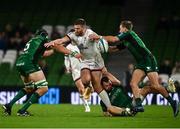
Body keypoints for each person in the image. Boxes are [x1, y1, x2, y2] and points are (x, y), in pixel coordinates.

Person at [89, 20, 179, 117]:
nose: (119, 30)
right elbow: (113, 48)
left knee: (155, 85)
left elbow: (114, 39)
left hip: (148, 59)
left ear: (124, 28)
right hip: (141, 63)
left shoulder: (129, 34)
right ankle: (139, 105)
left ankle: (173, 102)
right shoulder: (127, 40)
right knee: (133, 83)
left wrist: (99, 37)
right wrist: (98, 48)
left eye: (120, 28)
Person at [44, 18, 126, 115]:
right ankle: (89, 88)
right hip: (85, 61)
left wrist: (99, 38)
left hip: (96, 61)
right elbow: (62, 40)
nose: (76, 30)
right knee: (85, 80)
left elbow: (108, 44)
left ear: (84, 28)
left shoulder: (90, 34)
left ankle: (109, 107)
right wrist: (52, 42)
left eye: (78, 28)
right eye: (75, 28)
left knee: (98, 86)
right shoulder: (73, 35)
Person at [2, 29, 80, 116]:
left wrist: (54, 50)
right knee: (44, 88)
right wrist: (72, 53)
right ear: (44, 35)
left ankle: (8, 106)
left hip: (20, 63)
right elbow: (56, 47)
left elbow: (44, 54)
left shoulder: (32, 41)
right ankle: (22, 110)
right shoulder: (42, 39)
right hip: (30, 64)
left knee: (29, 88)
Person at [64, 43, 90, 112]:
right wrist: (67, 67)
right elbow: (66, 59)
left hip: (84, 67)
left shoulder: (81, 43)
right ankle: (87, 107)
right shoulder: (68, 47)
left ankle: (86, 96)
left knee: (89, 88)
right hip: (75, 70)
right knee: (81, 89)